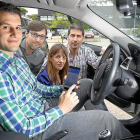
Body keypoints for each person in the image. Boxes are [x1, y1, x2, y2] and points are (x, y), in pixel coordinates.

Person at [0, 1, 133, 140]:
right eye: (6, 27)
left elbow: (37, 88)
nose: (15, 33)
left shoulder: (17, 60)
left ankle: (98, 130)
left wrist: (61, 89)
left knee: (87, 84)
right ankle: (103, 127)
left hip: (42, 105)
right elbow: (23, 129)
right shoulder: (2, 75)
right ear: (68, 37)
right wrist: (61, 109)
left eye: (17, 27)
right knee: (107, 121)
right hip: (39, 128)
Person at [42, 23, 107, 111]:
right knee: (89, 84)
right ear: (67, 37)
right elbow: (45, 68)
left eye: (78, 36)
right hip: (60, 93)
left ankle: (101, 117)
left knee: (89, 88)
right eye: (72, 35)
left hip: (79, 91)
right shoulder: (59, 51)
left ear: (83, 38)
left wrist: (105, 55)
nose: (75, 39)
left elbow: (96, 64)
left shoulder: (86, 51)